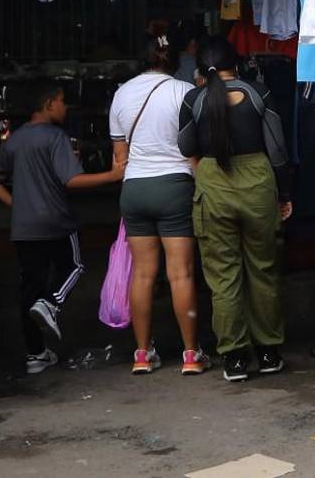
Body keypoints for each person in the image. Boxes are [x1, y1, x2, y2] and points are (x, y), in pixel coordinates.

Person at [0, 82, 123, 375]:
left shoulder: (16, 140)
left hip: (24, 228)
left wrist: (14, 204)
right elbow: (71, 181)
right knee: (75, 266)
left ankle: (35, 354)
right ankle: (52, 303)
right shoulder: (55, 137)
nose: (65, 106)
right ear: (48, 104)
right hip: (56, 222)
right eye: (61, 101)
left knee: (29, 288)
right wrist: (112, 175)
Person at [178, 36, 292, 383]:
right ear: (237, 63)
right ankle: (269, 352)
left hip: (214, 183)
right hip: (257, 182)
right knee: (263, 270)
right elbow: (277, 149)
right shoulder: (258, 92)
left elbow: (185, 145)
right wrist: (283, 193)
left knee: (223, 277)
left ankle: (235, 359)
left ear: (201, 70)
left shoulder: (194, 98)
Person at [109, 23, 208, 376]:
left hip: (134, 190)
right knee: (180, 274)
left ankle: (141, 354)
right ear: (171, 58)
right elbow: (196, 149)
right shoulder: (184, 91)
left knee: (143, 275)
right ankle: (191, 355)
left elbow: (118, 160)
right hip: (175, 187)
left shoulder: (121, 95)